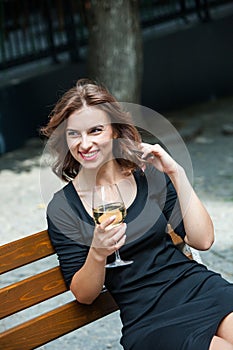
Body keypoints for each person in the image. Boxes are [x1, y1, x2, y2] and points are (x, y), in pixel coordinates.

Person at [40, 78, 233, 350]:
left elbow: (203, 240)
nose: (85, 143)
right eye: (74, 134)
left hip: (198, 288)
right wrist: (97, 252)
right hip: (149, 319)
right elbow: (84, 295)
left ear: (115, 132)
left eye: (95, 130)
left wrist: (176, 173)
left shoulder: (147, 176)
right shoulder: (63, 208)